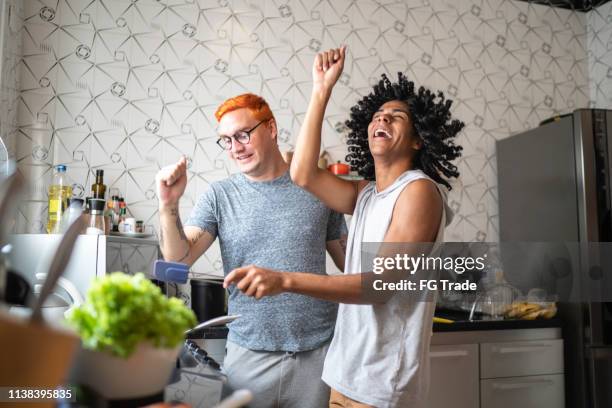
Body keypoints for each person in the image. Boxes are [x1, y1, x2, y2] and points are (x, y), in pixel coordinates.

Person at [223, 47, 464, 407]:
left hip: (383, 385)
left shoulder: (419, 191)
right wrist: (321, 90)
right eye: (378, 115)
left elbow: (378, 286)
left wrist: (285, 280)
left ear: (417, 139)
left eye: (396, 116)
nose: (382, 120)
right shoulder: (366, 194)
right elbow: (301, 173)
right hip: (344, 375)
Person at [155, 93, 347, 408]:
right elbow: (179, 260)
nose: (236, 148)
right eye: (226, 141)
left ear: (270, 128)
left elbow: (350, 263)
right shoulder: (220, 196)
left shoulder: (317, 187)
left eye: (243, 135)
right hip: (249, 357)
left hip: (318, 356)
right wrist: (168, 205)